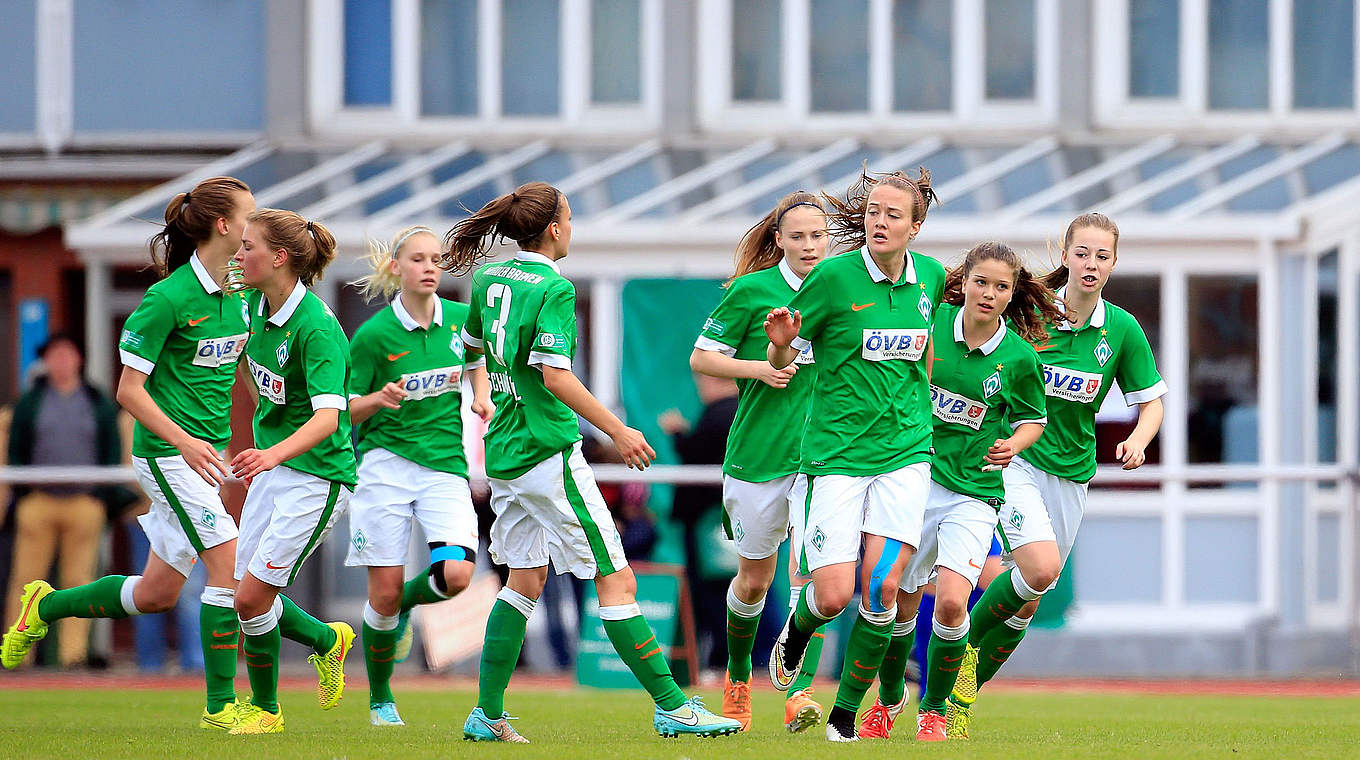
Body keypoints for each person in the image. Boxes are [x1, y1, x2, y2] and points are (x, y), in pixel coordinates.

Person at [441, 181, 742, 742]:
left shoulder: (488, 277)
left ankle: (485, 713)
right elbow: (554, 375)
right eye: (571, 218)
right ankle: (674, 707)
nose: (573, 227)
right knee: (618, 578)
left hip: (505, 457)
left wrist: (483, 394)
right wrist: (619, 430)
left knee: (523, 580)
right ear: (555, 229)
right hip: (547, 454)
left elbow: (471, 349)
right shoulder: (552, 288)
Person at [3, 178, 253, 730]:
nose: (254, 227)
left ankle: (44, 607)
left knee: (158, 593)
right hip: (167, 456)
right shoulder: (165, 299)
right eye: (249, 216)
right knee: (230, 568)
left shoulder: (237, 296)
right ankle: (221, 708)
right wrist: (185, 441)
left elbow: (236, 370)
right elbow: (128, 390)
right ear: (224, 226)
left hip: (204, 461)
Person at [947, 214, 1167, 739]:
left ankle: (960, 696)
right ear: (1066, 254)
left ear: (1114, 263)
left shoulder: (1121, 329)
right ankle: (956, 659)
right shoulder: (1029, 315)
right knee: (1039, 570)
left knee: (1029, 597)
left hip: (1072, 474)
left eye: (1102, 256)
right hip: (1015, 462)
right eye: (1083, 253)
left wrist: (1138, 438)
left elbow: (1153, 402)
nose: (1091, 264)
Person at [763, 167, 946, 742]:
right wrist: (778, 339)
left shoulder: (932, 278)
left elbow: (927, 350)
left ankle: (845, 714)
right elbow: (782, 357)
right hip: (835, 459)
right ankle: (801, 626)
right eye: (872, 213)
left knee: (884, 588)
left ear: (916, 226)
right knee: (834, 594)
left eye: (894, 214)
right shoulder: (835, 278)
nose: (880, 223)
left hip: (906, 456)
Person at [860, 241, 1057, 740]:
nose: (989, 294)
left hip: (975, 491)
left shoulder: (1016, 357)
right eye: (982, 282)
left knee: (951, 603)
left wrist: (1013, 443)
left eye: (1002, 287)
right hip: (916, 479)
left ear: (1013, 295)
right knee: (896, 601)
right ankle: (887, 701)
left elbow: (1034, 418)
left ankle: (934, 709)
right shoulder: (929, 328)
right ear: (963, 281)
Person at [689, 191, 830, 732]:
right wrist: (761, 370)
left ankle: (797, 693)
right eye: (797, 236)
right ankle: (738, 679)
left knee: (813, 576)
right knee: (753, 581)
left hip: (823, 457)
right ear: (779, 241)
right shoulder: (752, 291)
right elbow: (702, 358)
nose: (809, 245)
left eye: (818, 235)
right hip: (757, 456)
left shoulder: (842, 292)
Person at [345, 225, 492, 727]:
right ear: (396, 268)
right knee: (381, 596)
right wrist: (376, 399)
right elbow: (341, 410)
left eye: (437, 259)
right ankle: (381, 699)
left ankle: (408, 604)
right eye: (418, 259)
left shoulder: (459, 321)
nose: (430, 267)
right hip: (384, 468)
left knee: (456, 576)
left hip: (445, 468)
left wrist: (481, 393)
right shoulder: (372, 337)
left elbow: (476, 359)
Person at [227, 209, 358, 735]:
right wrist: (265, 433)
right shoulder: (254, 308)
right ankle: (328, 642)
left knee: (253, 597)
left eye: (247, 247)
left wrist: (271, 452)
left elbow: (329, 417)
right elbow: (247, 367)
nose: (239, 257)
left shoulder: (318, 327)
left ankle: (265, 711)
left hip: (318, 478)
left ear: (279, 258)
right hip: (276, 471)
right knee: (244, 597)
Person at [2, 334, 132, 668]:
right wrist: (23, 493)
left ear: (79, 360)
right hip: (39, 501)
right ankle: (18, 656)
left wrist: (102, 497)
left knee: (80, 582)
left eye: (67, 355)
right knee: (25, 579)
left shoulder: (96, 400)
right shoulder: (31, 400)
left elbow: (111, 448)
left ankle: (73, 656)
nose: (61, 362)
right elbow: (17, 447)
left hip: (84, 503)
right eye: (54, 356)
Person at [658, 373, 738, 677]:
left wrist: (679, 434)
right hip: (715, 519)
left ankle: (722, 660)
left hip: (710, 523)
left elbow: (696, 452)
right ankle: (723, 658)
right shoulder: (729, 411)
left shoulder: (722, 411)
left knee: (716, 592)